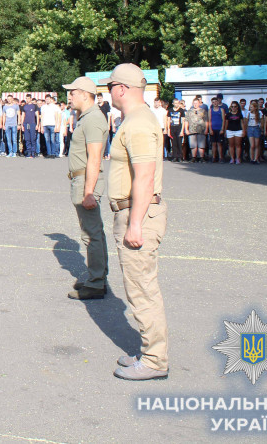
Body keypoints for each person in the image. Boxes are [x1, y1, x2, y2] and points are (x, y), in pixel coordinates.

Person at [102, 64, 168, 381]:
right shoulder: (137, 119)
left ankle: (155, 361)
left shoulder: (139, 122)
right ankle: (149, 351)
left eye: (110, 87)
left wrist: (135, 224)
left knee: (142, 292)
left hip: (137, 212)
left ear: (122, 88)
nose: (109, 93)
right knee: (140, 289)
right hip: (133, 210)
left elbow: (144, 176)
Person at [62, 76, 111, 300]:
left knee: (91, 234)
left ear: (84, 94)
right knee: (93, 231)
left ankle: (96, 282)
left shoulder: (92, 119)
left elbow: (94, 158)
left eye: (72, 93)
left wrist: (89, 191)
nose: (69, 97)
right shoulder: (87, 117)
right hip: (82, 179)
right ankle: (97, 277)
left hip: (85, 181)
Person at [185, 96, 209, 162]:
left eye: (196, 103)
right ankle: (194, 157)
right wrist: (186, 129)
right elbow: (186, 120)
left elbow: (206, 120)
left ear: (199, 103)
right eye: (194, 103)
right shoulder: (189, 111)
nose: (195, 104)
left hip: (201, 130)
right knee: (193, 145)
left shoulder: (203, 111)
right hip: (192, 130)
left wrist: (206, 129)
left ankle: (201, 157)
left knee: (201, 145)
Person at [166, 99, 185, 163]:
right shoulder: (170, 110)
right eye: (175, 103)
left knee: (179, 143)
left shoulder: (181, 110)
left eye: (177, 103)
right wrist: (168, 130)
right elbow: (168, 120)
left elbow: (183, 121)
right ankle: (174, 156)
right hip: (172, 128)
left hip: (179, 128)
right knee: (173, 143)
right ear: (173, 103)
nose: (176, 104)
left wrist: (182, 131)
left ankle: (180, 157)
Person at [209, 96, 226, 163]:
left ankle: (220, 157)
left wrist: (222, 129)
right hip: (213, 129)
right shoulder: (210, 110)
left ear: (218, 102)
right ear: (212, 103)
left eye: (216, 101)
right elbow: (209, 120)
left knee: (219, 144)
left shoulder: (221, 110)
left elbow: (223, 120)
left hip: (219, 129)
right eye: (213, 102)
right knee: (213, 144)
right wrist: (210, 129)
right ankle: (213, 157)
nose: (215, 103)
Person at [244, 100, 262, 164]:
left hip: (256, 128)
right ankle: (251, 158)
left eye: (252, 107)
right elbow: (246, 122)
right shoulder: (248, 113)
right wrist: (245, 129)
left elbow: (261, 122)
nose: (250, 108)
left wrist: (261, 129)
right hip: (250, 128)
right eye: (250, 107)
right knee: (252, 145)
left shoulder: (259, 113)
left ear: (255, 107)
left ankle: (256, 159)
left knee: (257, 145)